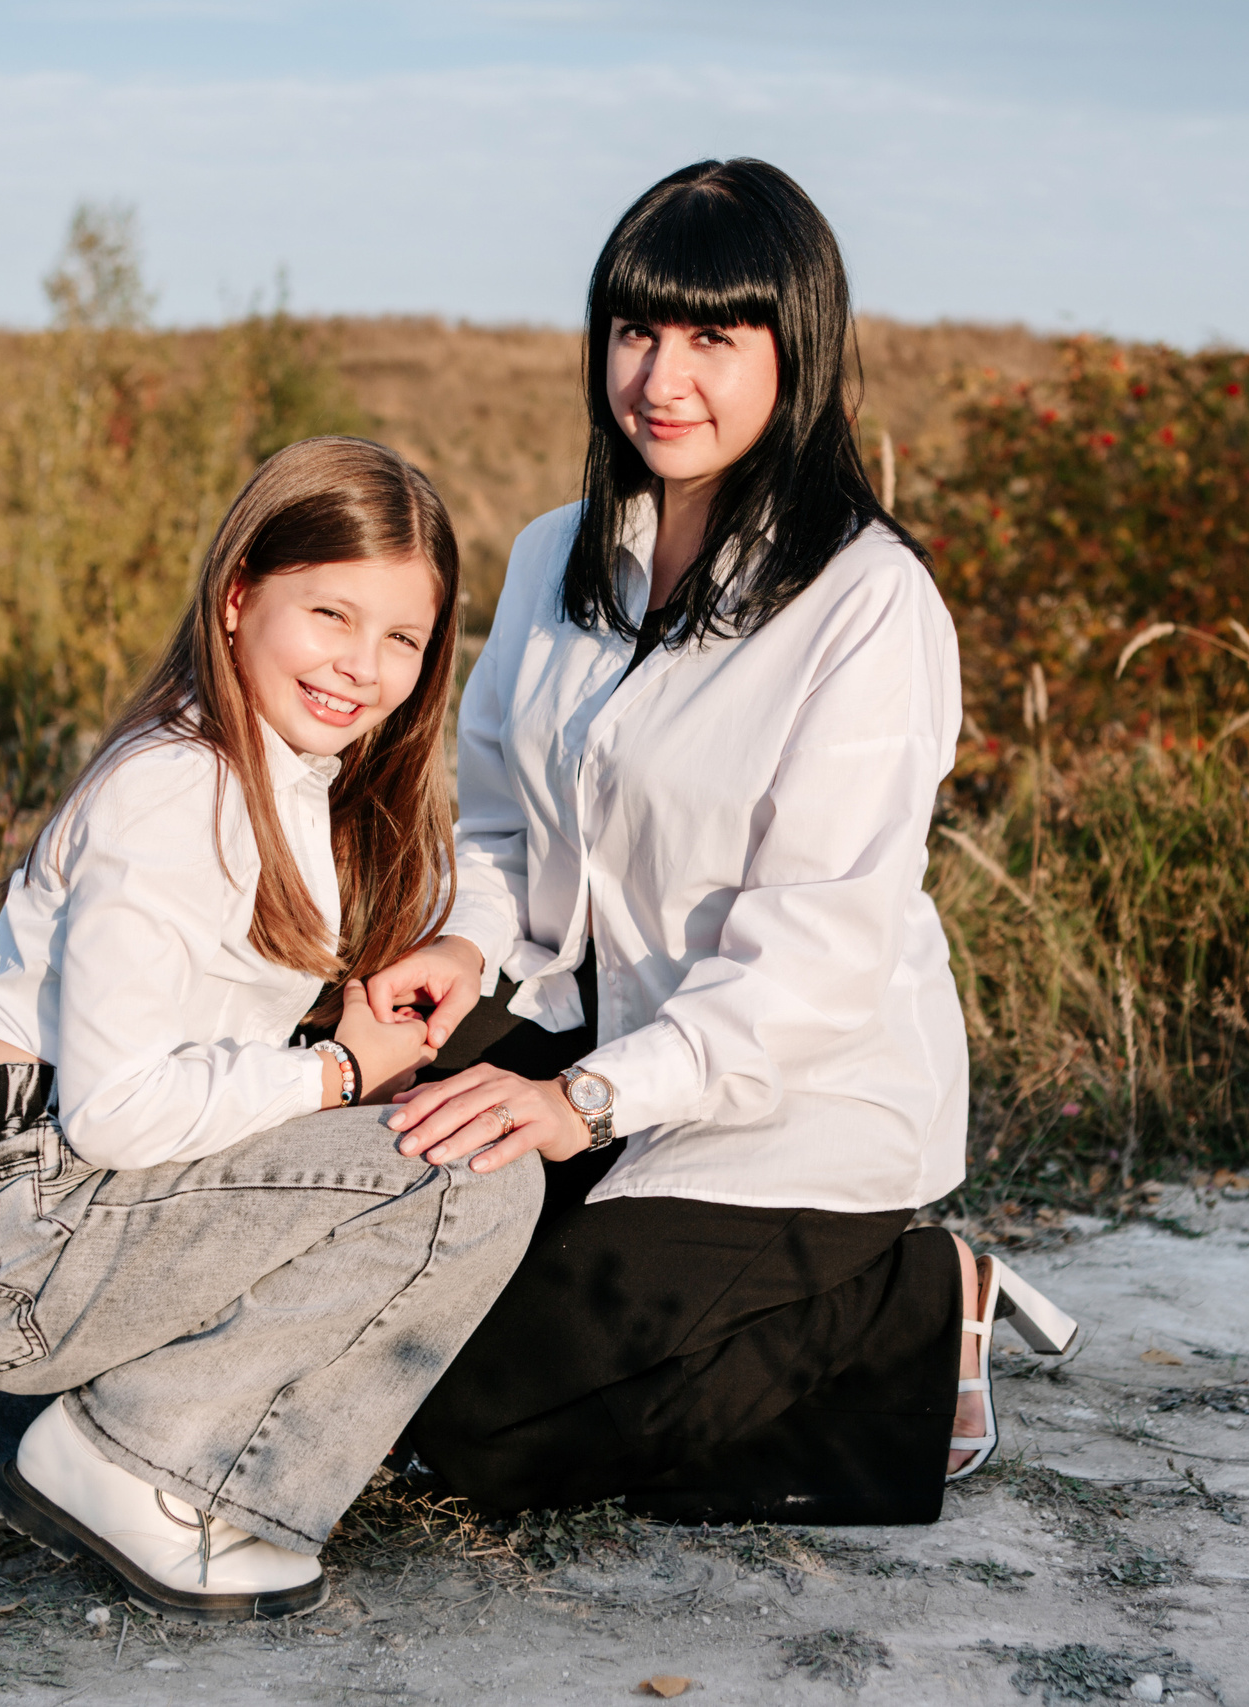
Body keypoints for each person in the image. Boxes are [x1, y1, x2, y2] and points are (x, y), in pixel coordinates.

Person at [367, 159, 1022, 1528]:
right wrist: (462, 942)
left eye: (714, 336)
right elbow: (494, 819)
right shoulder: (559, 553)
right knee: (362, 1249)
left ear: (801, 351)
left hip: (791, 1090)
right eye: (635, 329)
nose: (661, 375)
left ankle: (912, 1306)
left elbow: (815, 964)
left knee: (481, 1419)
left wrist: (584, 1104)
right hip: (583, 1023)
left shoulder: (864, 603)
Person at [0, 437, 542, 1621]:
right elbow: (118, 1110)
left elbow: (476, 885)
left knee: (424, 1127)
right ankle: (139, 1465)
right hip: (21, 1219)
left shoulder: (290, 773)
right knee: (469, 1175)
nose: (362, 666)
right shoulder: (178, 786)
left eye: (401, 639)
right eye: (329, 613)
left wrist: (452, 951)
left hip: (44, 1203)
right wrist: (335, 1071)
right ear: (236, 598)